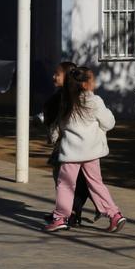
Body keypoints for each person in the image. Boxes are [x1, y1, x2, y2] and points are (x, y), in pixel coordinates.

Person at [45, 66, 127, 232]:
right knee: (96, 184)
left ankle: (61, 216)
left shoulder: (66, 102)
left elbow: (58, 126)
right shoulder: (95, 101)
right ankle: (114, 214)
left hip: (70, 154)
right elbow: (109, 123)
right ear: (85, 84)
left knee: (65, 185)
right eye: (93, 80)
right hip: (92, 152)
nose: (95, 83)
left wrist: (53, 139)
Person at [42, 61, 95, 226]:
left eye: (57, 73)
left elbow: (60, 123)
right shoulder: (59, 97)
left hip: (70, 148)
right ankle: (66, 211)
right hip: (66, 147)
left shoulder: (71, 99)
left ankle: (70, 212)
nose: (54, 76)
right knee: (62, 180)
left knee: (70, 181)